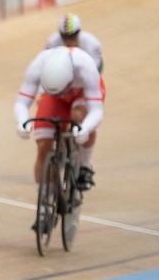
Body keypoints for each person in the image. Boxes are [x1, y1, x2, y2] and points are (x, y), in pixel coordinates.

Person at [14, 46, 104, 229]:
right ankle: (44, 208)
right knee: (43, 145)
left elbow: (96, 111)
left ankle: (85, 166)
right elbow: (22, 103)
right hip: (53, 96)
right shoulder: (38, 65)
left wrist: (85, 128)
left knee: (79, 117)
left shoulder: (86, 66)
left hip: (82, 94)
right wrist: (22, 122)